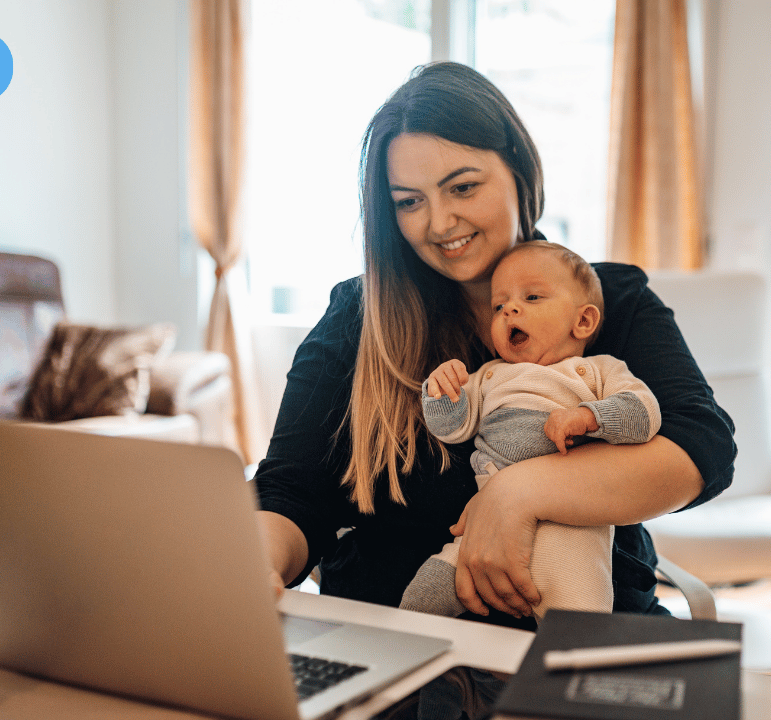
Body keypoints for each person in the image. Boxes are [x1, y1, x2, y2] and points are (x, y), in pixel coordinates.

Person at [253, 61, 735, 628]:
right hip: (398, 638)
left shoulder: (607, 300)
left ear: (519, 170)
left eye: (463, 187)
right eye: (409, 201)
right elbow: (290, 492)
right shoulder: (359, 317)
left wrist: (517, 493)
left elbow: (700, 447)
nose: (439, 222)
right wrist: (253, 568)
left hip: (583, 633)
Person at [401, 240, 661, 620]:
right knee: (422, 600)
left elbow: (644, 414)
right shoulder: (490, 374)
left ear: (583, 321)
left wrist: (591, 417)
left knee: (578, 632)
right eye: (499, 306)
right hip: (486, 525)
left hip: (571, 527)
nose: (510, 309)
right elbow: (451, 429)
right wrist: (442, 390)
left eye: (533, 297)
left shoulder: (599, 369)